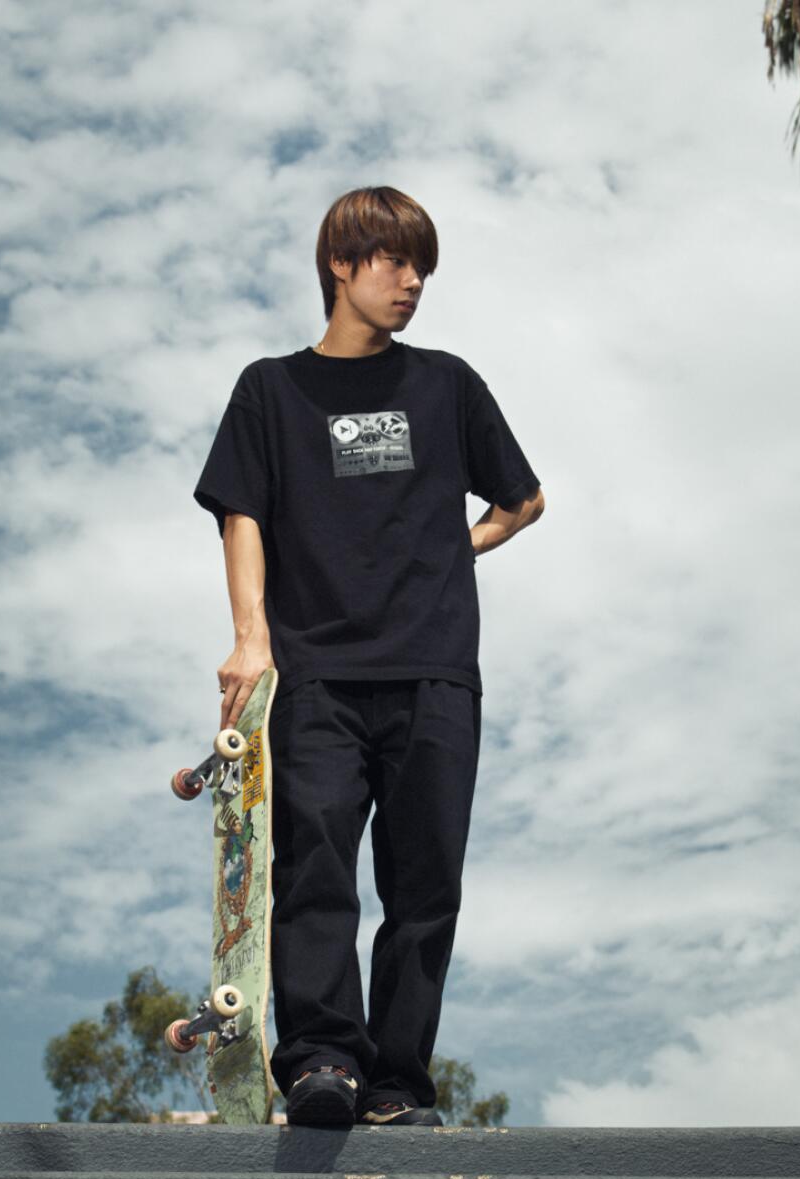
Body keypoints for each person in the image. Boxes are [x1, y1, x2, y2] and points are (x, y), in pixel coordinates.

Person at [192, 186, 545, 1127]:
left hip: (434, 668)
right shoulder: (272, 389)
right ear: (341, 267)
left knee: (425, 884)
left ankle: (397, 1082)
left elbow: (523, 499)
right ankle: (323, 1064)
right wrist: (250, 637)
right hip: (316, 675)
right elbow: (243, 514)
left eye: (421, 264)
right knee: (314, 867)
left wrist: (449, 547)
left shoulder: (447, 385)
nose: (412, 280)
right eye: (393, 261)